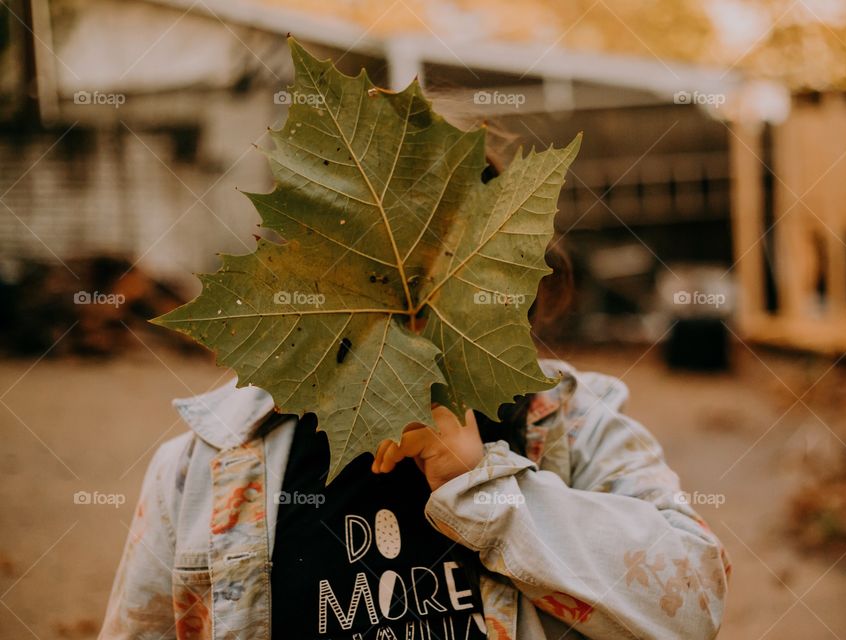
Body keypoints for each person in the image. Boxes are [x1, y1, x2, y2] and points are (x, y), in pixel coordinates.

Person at [99, 151, 730, 640]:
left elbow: (692, 606)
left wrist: (487, 490)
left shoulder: (572, 428)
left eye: (446, 269)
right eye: (368, 268)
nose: (407, 310)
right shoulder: (204, 469)